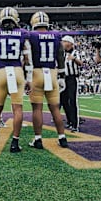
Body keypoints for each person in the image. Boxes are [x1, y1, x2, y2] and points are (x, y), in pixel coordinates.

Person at [0, 6, 33, 153]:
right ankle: (15, 143)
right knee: (17, 108)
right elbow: (28, 59)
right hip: (17, 72)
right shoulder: (22, 33)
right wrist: (29, 78)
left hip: (2, 72)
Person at [27, 12, 69, 149]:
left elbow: (27, 56)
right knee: (55, 108)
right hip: (52, 72)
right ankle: (62, 137)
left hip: (37, 72)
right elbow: (60, 56)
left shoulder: (31, 35)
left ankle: (38, 139)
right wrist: (62, 76)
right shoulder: (56, 35)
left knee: (37, 108)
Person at [60, 35, 83, 132]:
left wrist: (73, 58)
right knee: (64, 101)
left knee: (72, 101)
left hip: (72, 78)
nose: (62, 44)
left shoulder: (75, 53)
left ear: (70, 43)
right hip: (63, 78)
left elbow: (81, 63)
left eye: (64, 42)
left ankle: (75, 124)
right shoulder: (62, 54)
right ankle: (69, 120)